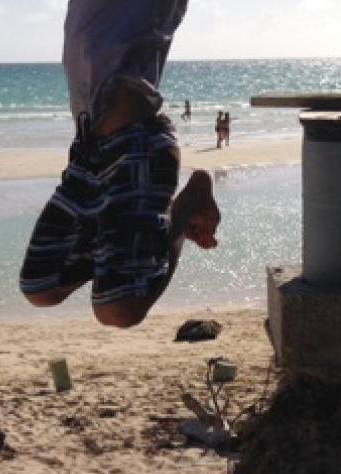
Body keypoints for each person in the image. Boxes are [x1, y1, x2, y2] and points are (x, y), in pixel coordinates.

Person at [19, 0, 221, 329]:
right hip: (87, 153)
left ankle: (186, 208)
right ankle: (110, 250)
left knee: (118, 310)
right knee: (40, 286)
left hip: (137, 143)